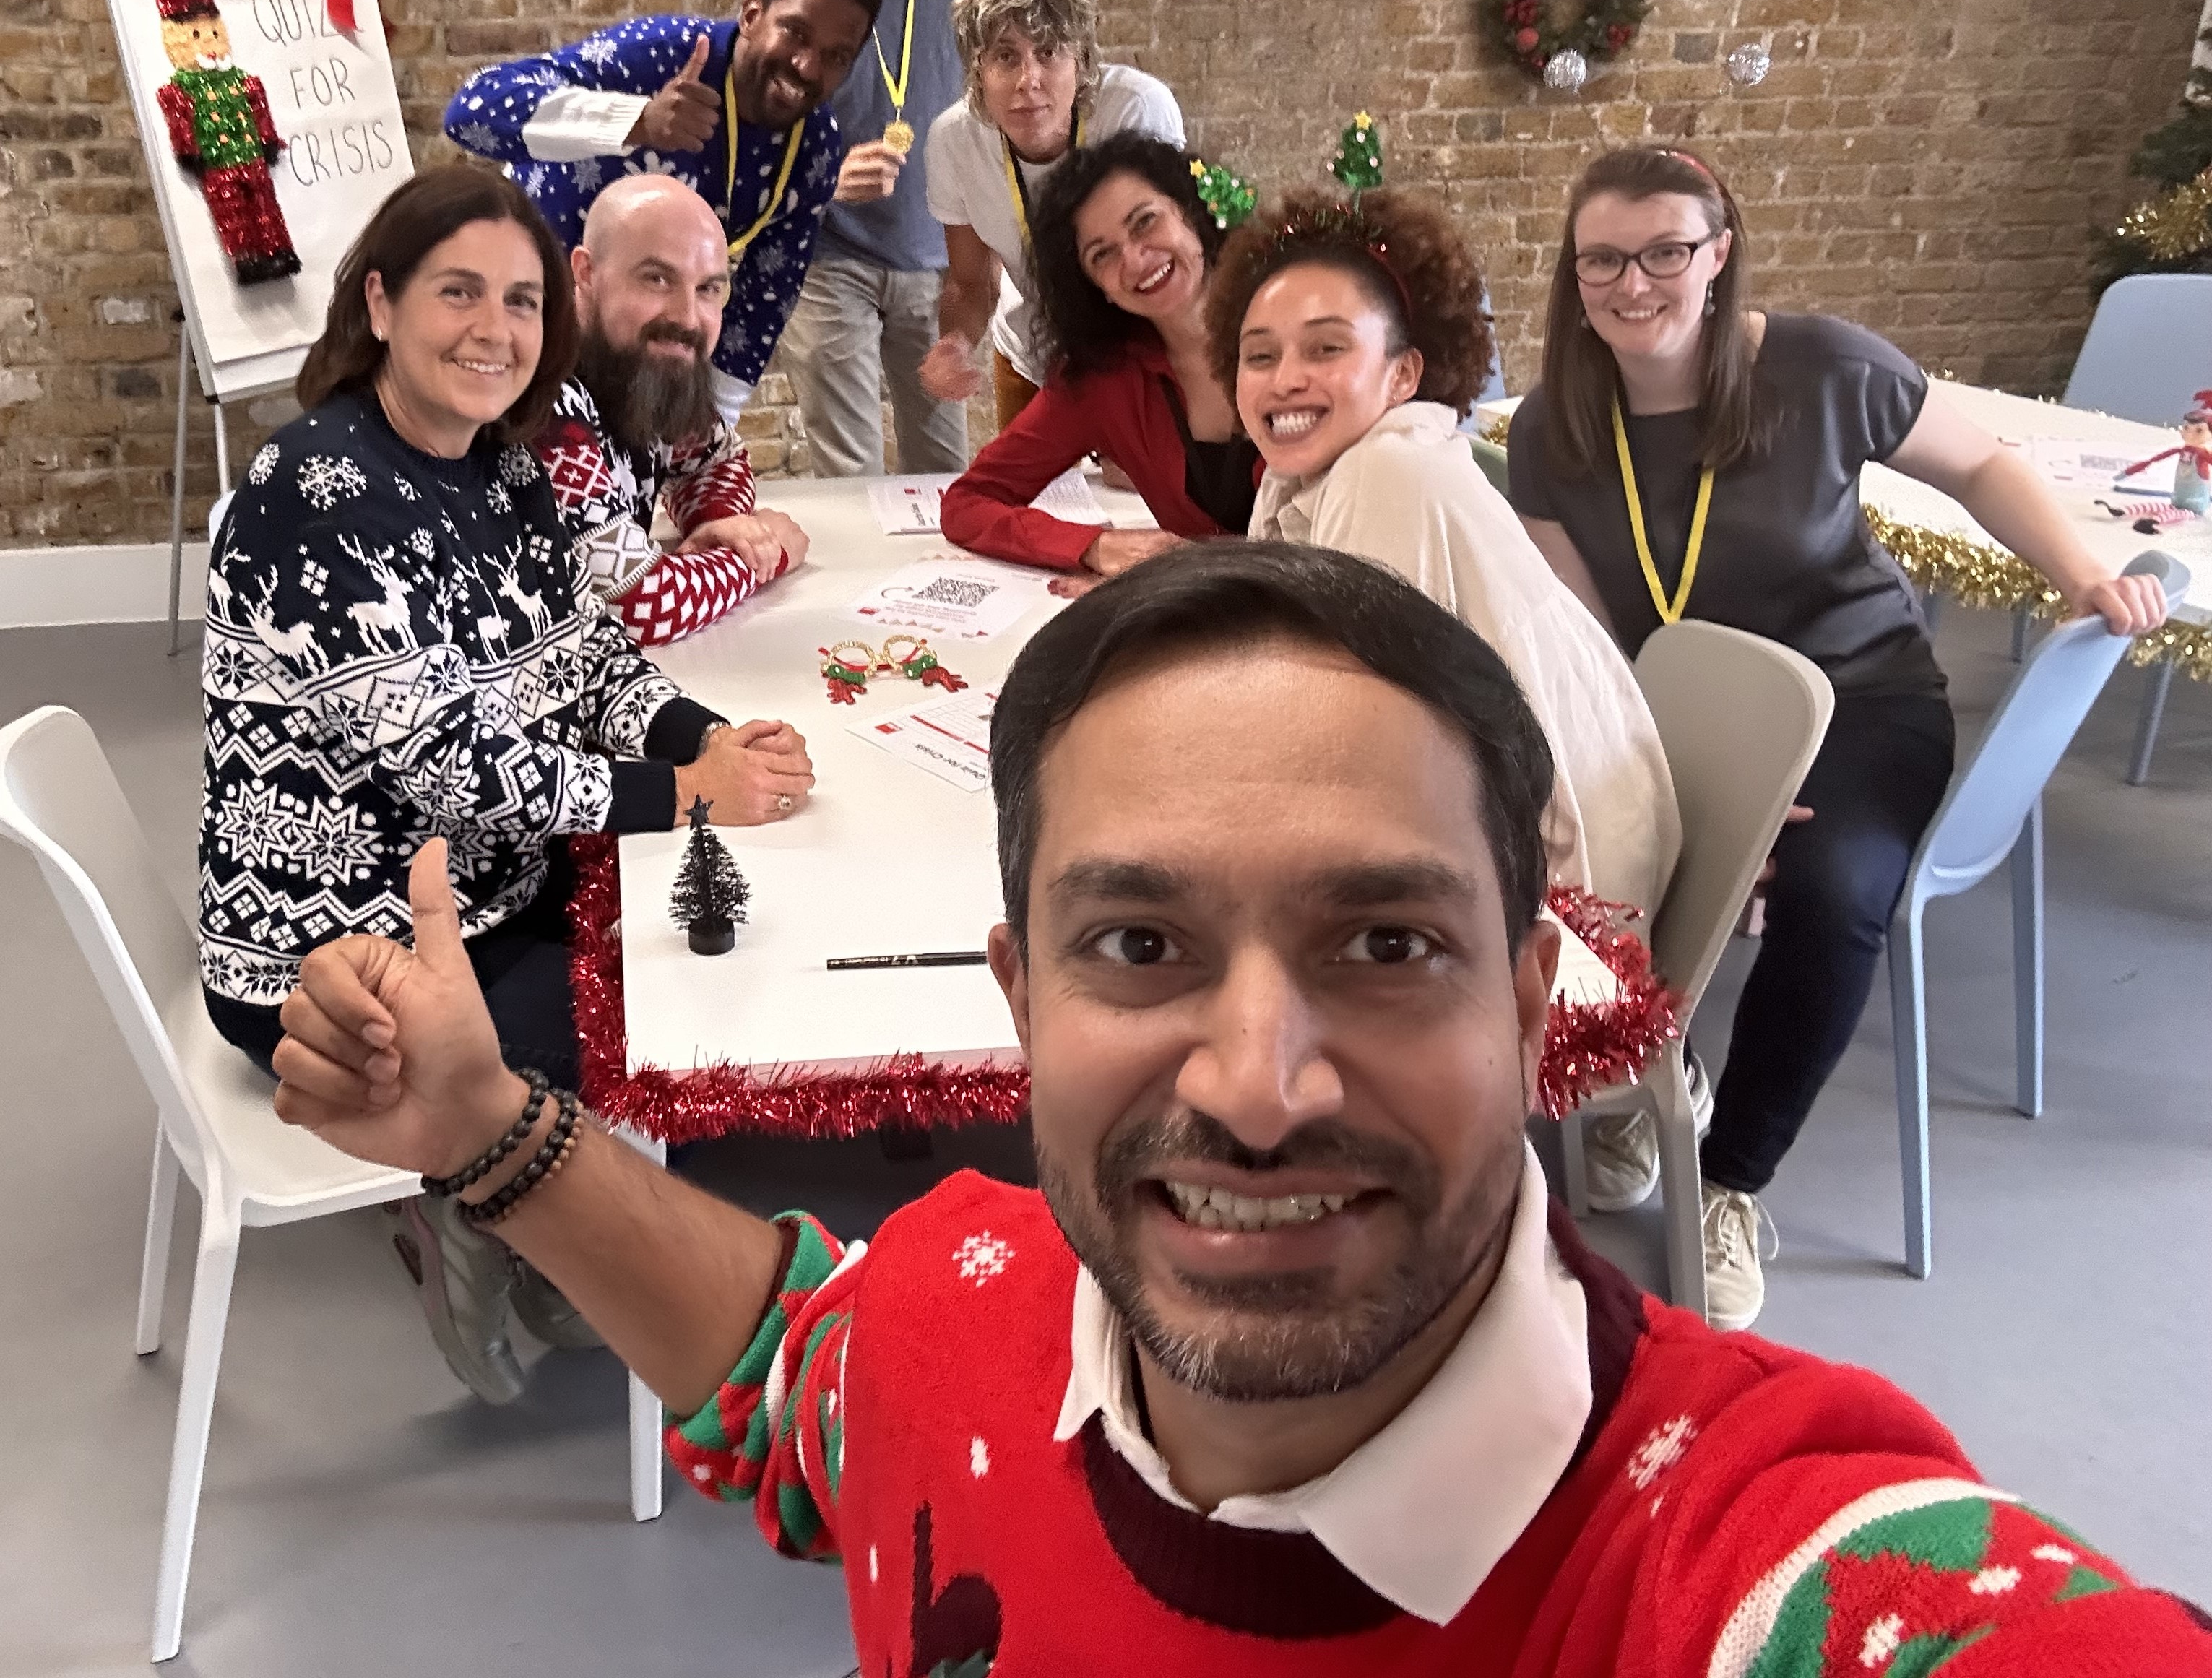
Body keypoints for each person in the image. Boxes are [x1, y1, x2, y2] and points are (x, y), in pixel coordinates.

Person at [267, 542, 2210, 1677]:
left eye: (1381, 942)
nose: (1254, 1088)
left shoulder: (1752, 1577)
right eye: (1137, 948)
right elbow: (790, 1381)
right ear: (1014, 1001)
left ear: (1532, 999)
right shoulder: (960, 1304)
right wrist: (486, 1134)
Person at [1505, 144, 2171, 1328]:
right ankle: (1634, 1081)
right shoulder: (1555, 420)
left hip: (1860, 700)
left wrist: (2080, 570)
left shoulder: (1818, 366)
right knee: (1561, 845)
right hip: (1679, 713)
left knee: (1832, 888)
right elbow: (1585, 643)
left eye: (1666, 249)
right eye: (1602, 257)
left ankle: (1730, 1179)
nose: (1632, 280)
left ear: (1717, 254)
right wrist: (1698, 795)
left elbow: (1977, 461)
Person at [199, 165, 816, 1405]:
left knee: (699, 957)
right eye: (458, 292)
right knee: (674, 1022)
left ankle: (526, 1212)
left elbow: (587, 657)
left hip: (487, 898)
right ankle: (480, 1219)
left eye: (522, 300)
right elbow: (456, 770)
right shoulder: (316, 496)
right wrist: (690, 796)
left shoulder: (501, 463)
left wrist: (711, 735)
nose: (495, 328)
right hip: (336, 961)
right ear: (379, 301)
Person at [1211, 187, 1678, 924]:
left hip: (1553, 889)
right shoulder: (1297, 473)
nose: (1285, 377)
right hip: (1476, 812)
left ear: (1402, 375)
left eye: (1326, 347)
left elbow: (1361, 747)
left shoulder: (1390, 471)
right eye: (1258, 355)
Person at [440, 0, 881, 421]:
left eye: (837, 57)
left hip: (633, 361)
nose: (806, 66)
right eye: (796, 33)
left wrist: (707, 436)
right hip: (519, 326)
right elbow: (471, 110)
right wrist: (636, 120)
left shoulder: (814, 147)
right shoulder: (662, 55)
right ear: (753, 15)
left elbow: (762, 304)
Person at [767, 0, 1014, 475]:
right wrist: (823, 175)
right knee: (850, 482)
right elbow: (753, 136)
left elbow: (1017, 95)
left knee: (942, 479)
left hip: (944, 260)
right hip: (828, 258)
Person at [938, 131, 1256, 579]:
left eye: (1145, 222)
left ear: (1191, 211)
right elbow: (967, 504)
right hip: (1212, 625)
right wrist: (1093, 546)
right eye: (1102, 254)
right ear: (1094, 288)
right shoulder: (1102, 382)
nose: (1135, 259)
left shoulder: (1300, 317)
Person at [537, 175, 810, 646]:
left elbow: (717, 457)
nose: (687, 317)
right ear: (585, 273)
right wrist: (764, 552)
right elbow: (635, 608)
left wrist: (718, 524)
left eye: (708, 289)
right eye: (657, 279)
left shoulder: (641, 368)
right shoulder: (545, 394)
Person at [917, 0, 1185, 428]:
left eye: (1048, 52)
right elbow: (970, 281)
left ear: (1081, 61)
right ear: (978, 71)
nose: (1029, 81)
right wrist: (955, 342)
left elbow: (1173, 263)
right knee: (1022, 497)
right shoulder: (954, 140)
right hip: (1030, 359)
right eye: (1005, 56)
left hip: (1137, 352)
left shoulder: (1135, 111)